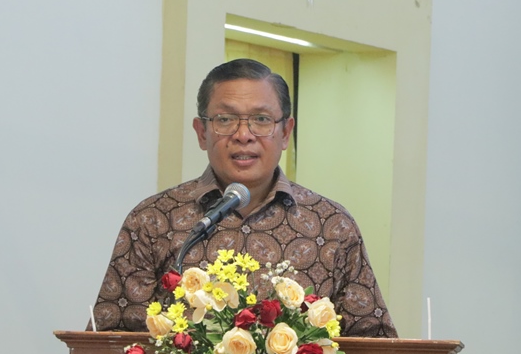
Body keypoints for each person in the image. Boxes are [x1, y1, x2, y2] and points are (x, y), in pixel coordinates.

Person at [91, 58, 397, 338]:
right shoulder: (152, 220)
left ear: (286, 132)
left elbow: (373, 343)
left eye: (261, 120)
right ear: (201, 132)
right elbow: (111, 341)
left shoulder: (331, 226)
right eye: (225, 120)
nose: (243, 135)